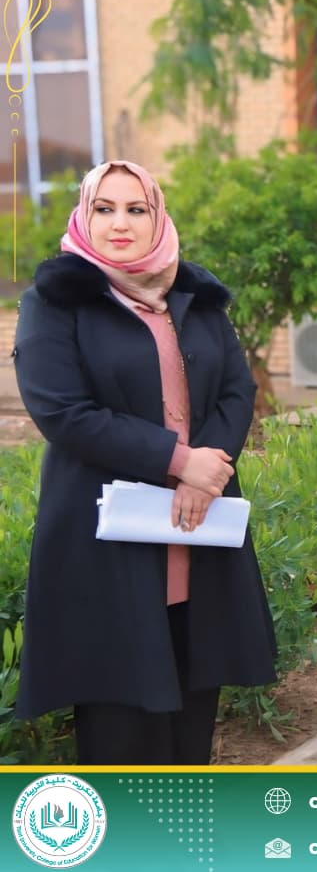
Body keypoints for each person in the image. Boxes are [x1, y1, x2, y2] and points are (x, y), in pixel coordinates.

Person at [12, 160, 277, 764]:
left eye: (137, 209)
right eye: (104, 209)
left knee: (192, 719)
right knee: (120, 730)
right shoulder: (55, 302)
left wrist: (207, 474)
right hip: (108, 546)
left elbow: (237, 390)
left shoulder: (195, 298)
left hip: (196, 531)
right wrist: (179, 461)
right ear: (83, 216)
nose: (120, 223)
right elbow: (62, 411)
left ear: (158, 218)